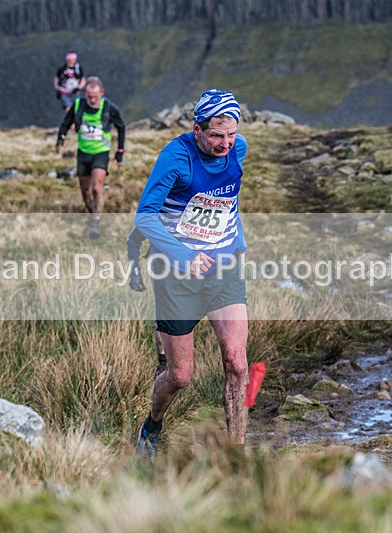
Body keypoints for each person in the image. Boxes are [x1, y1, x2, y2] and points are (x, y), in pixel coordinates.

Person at [132, 89, 249, 460]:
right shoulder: (175, 158)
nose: (224, 144)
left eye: (230, 135)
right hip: (176, 274)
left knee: (236, 361)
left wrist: (237, 241)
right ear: (197, 129)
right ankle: (151, 426)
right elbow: (145, 216)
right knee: (180, 375)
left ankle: (236, 456)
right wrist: (183, 254)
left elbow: (227, 200)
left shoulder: (238, 149)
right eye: (216, 135)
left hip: (224, 269)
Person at [55, 76, 126, 238]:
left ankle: (95, 223)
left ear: (102, 93)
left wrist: (120, 151)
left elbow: (121, 126)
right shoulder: (78, 105)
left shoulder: (109, 107)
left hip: (101, 153)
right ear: (84, 94)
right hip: (83, 153)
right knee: (85, 190)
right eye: (89, 96)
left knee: (96, 187)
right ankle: (92, 214)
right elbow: (66, 123)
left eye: (95, 96)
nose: (92, 100)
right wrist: (61, 138)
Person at [127, 226, 167, 377]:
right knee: (163, 314)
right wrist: (134, 273)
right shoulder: (162, 210)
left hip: (202, 269)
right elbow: (133, 239)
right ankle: (163, 362)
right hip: (162, 267)